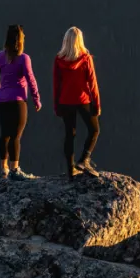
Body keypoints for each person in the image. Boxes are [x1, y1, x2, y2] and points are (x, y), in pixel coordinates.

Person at [0, 24, 41, 178]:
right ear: (20, 40)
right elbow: (30, 79)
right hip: (18, 101)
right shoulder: (23, 58)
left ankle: (3, 168)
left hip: (2, 100)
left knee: (4, 134)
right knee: (15, 136)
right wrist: (36, 98)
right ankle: (15, 169)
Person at [53, 26, 102, 178]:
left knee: (70, 134)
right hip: (83, 100)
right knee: (94, 130)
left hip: (65, 101)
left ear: (66, 41)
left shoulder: (58, 60)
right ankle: (83, 160)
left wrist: (56, 105)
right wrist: (97, 104)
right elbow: (92, 83)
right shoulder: (85, 59)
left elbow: (56, 85)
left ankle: (70, 169)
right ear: (80, 41)